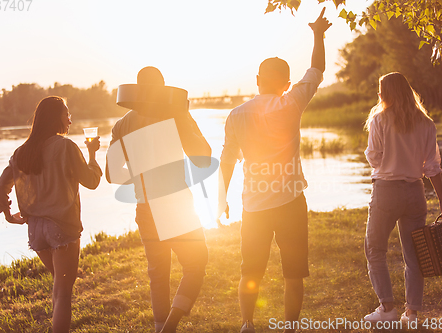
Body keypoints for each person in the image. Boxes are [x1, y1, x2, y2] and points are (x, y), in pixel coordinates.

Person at [219, 9, 331, 333]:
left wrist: (221, 198)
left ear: (256, 81)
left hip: (253, 206)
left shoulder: (235, 115)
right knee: (293, 273)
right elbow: (317, 69)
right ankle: (291, 327)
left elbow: (227, 159)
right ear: (286, 83)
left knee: (249, 271)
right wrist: (318, 35)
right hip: (291, 204)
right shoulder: (292, 102)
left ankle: (247, 324)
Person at [106, 66, 211, 333]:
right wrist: (186, 116)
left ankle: (159, 329)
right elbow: (203, 157)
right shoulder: (176, 115)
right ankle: (170, 326)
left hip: (145, 207)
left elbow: (111, 174)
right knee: (197, 263)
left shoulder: (121, 125)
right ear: (163, 88)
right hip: (175, 204)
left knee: (158, 273)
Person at [0, 96, 102, 333]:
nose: (70, 120)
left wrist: (7, 213)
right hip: (61, 228)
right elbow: (92, 181)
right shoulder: (66, 147)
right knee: (63, 294)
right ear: (56, 118)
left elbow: (2, 184)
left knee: (58, 288)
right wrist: (93, 155)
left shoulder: (22, 152)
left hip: (36, 231)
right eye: (67, 114)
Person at [363, 72, 442, 325]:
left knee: (375, 249)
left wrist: (390, 160)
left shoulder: (379, 120)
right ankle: (411, 314)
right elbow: (432, 166)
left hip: (386, 192)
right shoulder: (426, 123)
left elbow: (373, 158)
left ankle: (387, 308)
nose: (379, 95)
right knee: (414, 255)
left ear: (386, 93)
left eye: (380, 91)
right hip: (415, 192)